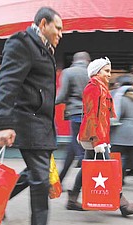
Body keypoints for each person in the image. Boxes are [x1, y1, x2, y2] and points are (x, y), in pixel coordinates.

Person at [0, 7, 65, 225]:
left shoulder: (42, 47)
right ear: (43, 23)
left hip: (40, 124)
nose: (61, 34)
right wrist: (2, 123)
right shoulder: (22, 43)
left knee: (34, 173)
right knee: (41, 176)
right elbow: (6, 82)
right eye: (58, 28)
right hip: (29, 123)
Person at [67, 57, 133, 216]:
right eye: (106, 71)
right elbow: (91, 116)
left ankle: (72, 198)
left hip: (97, 136)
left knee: (87, 167)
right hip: (94, 137)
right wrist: (96, 141)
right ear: (97, 71)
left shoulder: (101, 87)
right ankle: (123, 204)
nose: (110, 74)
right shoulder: (93, 88)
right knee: (109, 169)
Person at [55, 51, 91, 183]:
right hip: (90, 115)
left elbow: (62, 95)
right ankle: (59, 181)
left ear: (74, 60)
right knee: (72, 149)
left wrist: (46, 103)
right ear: (87, 60)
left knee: (79, 148)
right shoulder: (92, 73)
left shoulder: (68, 72)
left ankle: (83, 162)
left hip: (76, 113)